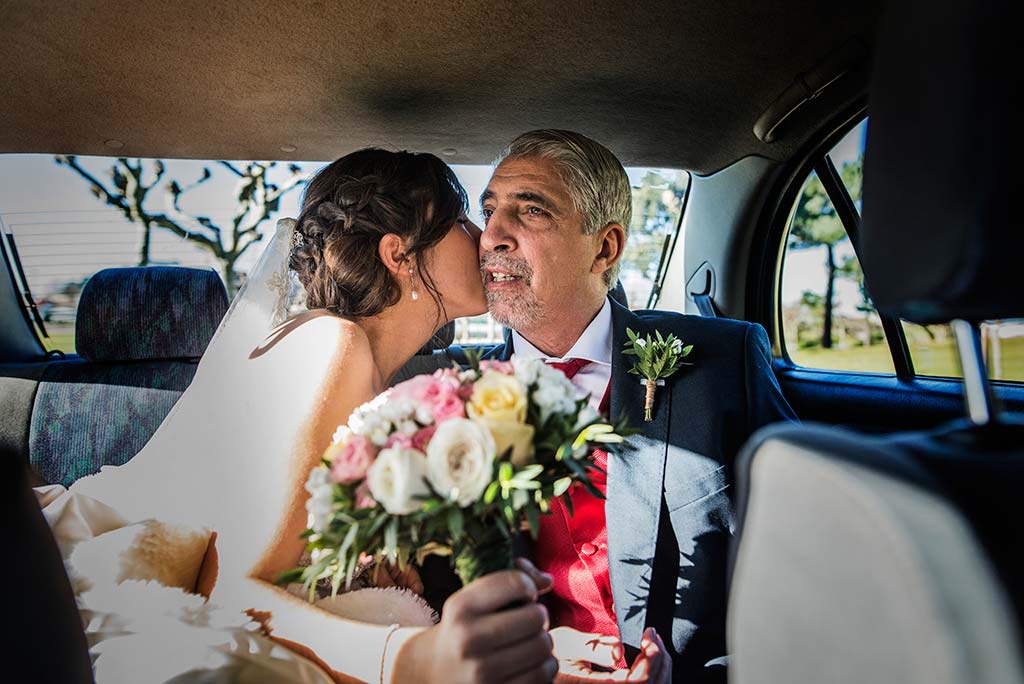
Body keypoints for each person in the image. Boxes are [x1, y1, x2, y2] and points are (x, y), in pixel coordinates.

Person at [42, 149, 559, 684]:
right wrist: (417, 661)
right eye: (460, 220)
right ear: (399, 254)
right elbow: (229, 590)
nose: (482, 236)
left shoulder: (365, 369)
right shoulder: (332, 345)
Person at [478, 130, 798, 683]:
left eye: (530, 211)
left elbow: (800, 552)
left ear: (605, 247)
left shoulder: (723, 361)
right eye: (489, 210)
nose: (492, 237)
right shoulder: (445, 392)